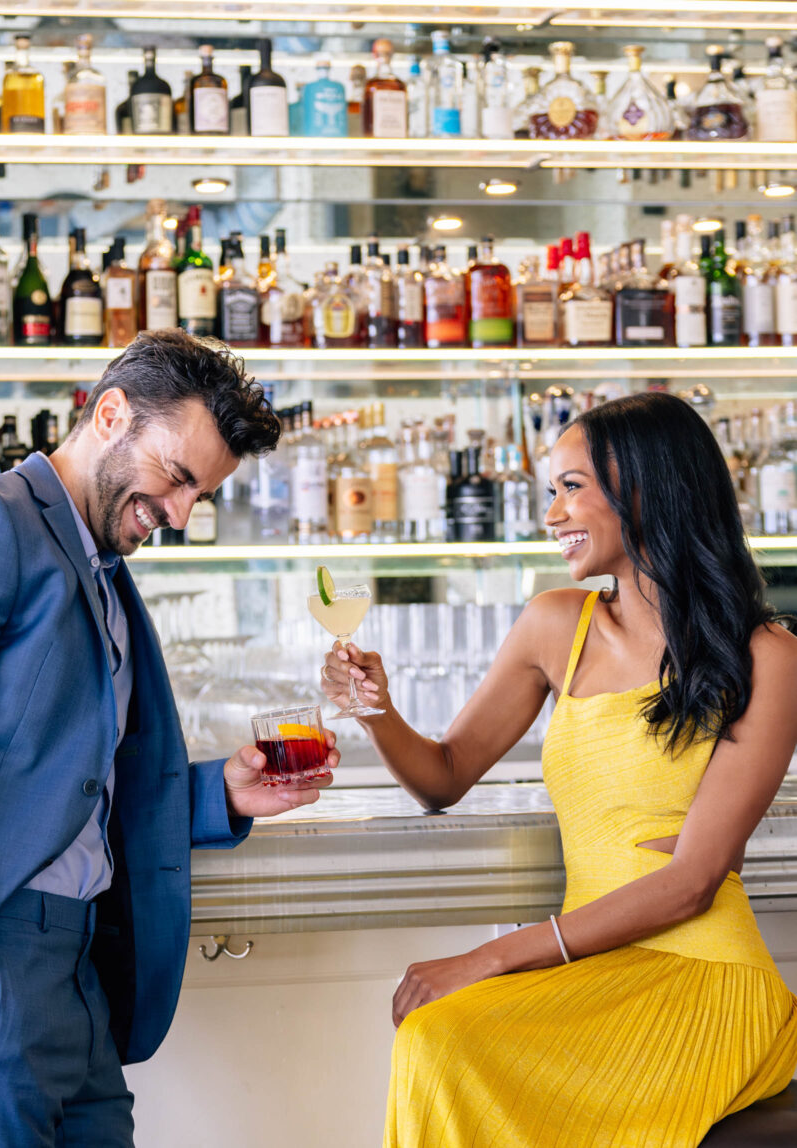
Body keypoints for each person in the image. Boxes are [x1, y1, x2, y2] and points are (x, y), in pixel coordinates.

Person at [0, 330, 337, 1146]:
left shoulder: (106, 576)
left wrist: (219, 792)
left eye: (202, 496)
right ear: (111, 414)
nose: (182, 515)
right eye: (178, 478)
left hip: (76, 974)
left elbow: (70, 782)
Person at [322, 391, 797, 1147]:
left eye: (571, 487)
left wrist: (486, 959)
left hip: (702, 977)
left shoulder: (768, 657)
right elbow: (443, 776)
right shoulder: (554, 624)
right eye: (553, 491)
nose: (551, 515)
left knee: (444, 1041)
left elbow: (689, 883)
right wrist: (374, 707)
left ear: (646, 489)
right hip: (596, 968)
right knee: (438, 1041)